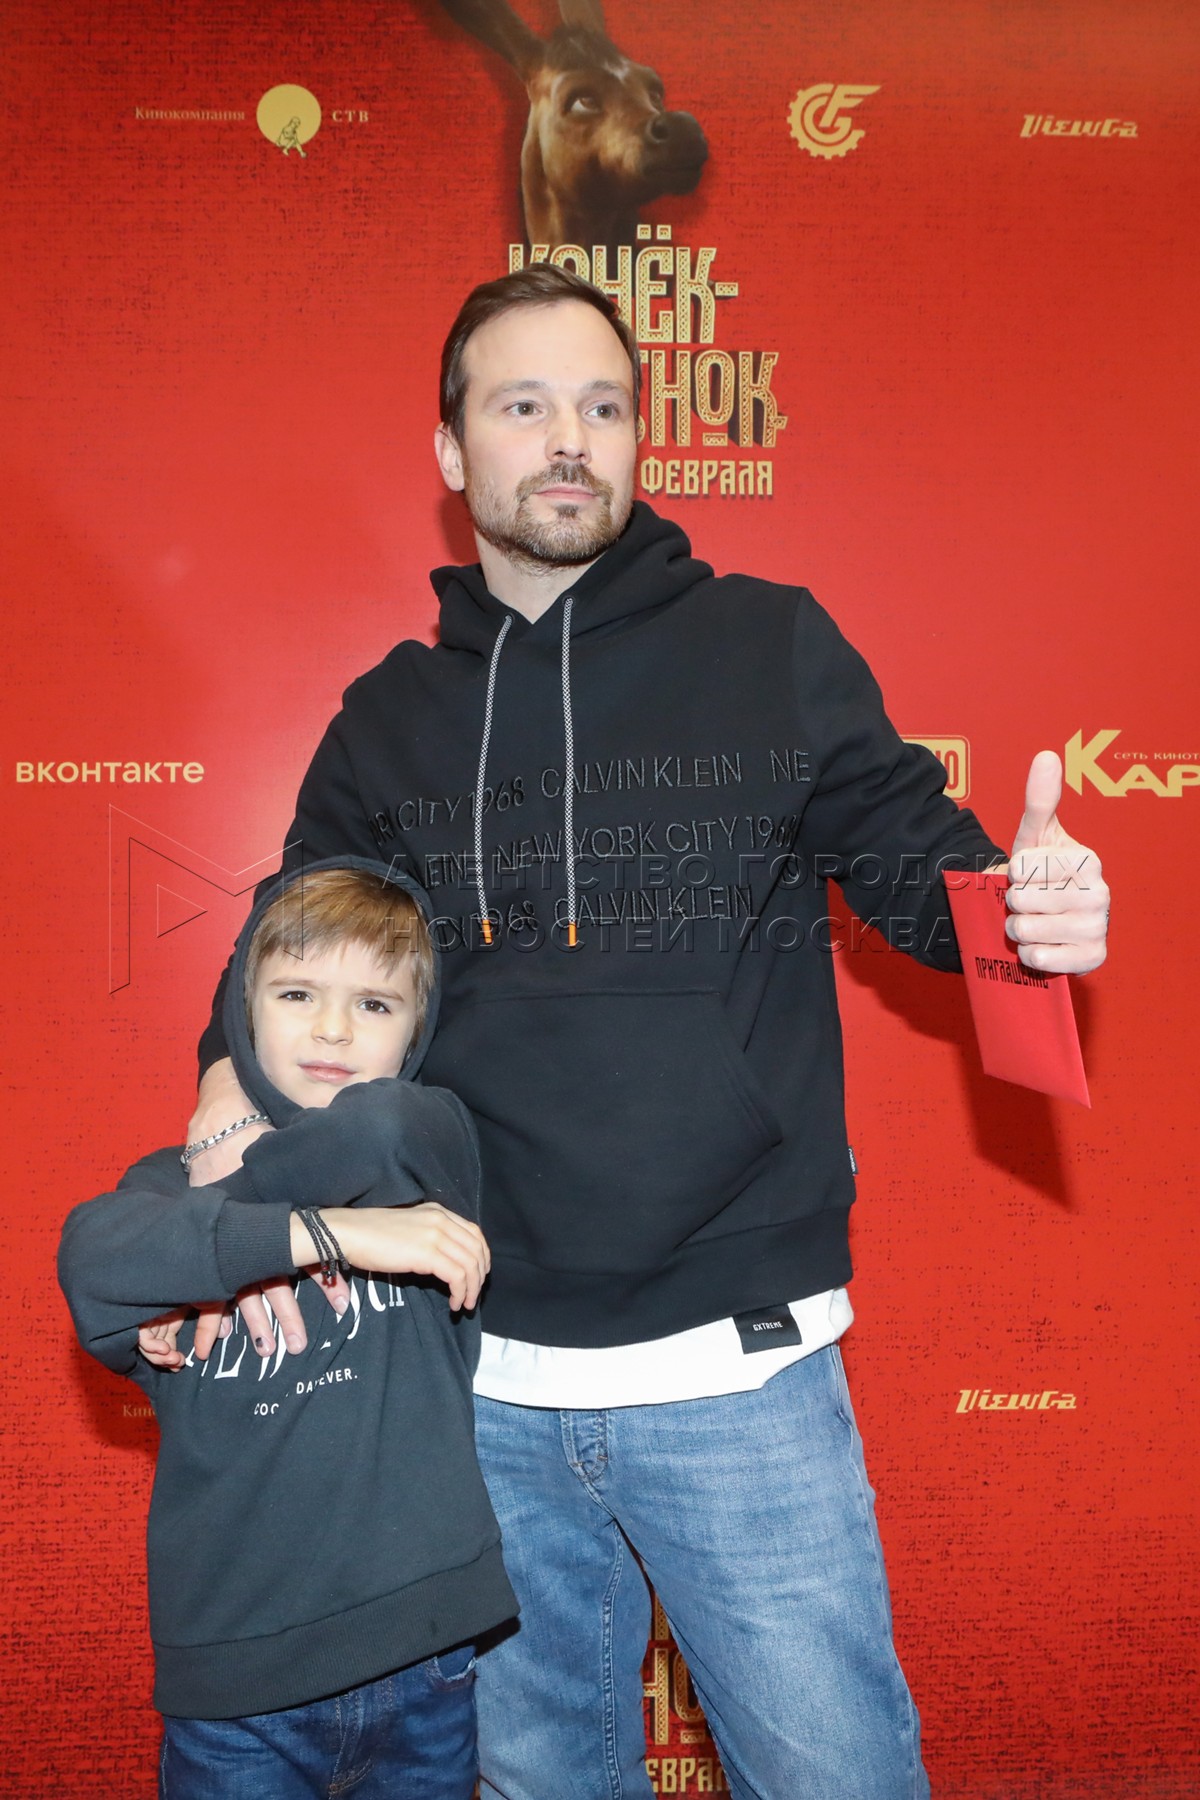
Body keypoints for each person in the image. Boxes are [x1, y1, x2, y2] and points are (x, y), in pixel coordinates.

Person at [182, 266, 1109, 1800]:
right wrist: (227, 1138)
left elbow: (921, 872)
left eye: (603, 406)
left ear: (637, 436)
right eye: (524, 404)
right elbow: (291, 967)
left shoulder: (769, 644)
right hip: (477, 1380)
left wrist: (1025, 917)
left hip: (740, 1373)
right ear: (452, 451)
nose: (570, 439)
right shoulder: (386, 720)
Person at [59, 858, 517, 1800]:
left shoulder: (430, 1147)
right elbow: (94, 1259)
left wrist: (218, 1231)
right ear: (243, 1013)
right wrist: (320, 1233)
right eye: (298, 993)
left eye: (376, 1005)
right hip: (236, 1693)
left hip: (424, 1663)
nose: (334, 1029)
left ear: (418, 1029)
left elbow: (378, 1128)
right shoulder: (164, 1188)